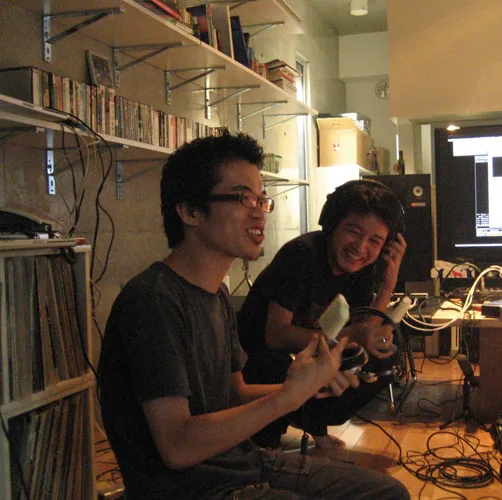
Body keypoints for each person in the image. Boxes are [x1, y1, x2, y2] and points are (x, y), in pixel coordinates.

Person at [97, 132, 410, 500]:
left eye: (262, 199)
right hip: (193, 489)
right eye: (243, 198)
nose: (260, 211)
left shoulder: (216, 296)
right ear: (190, 211)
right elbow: (177, 446)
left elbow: (236, 393)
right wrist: (287, 398)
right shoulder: (152, 302)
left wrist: (309, 386)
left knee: (389, 493)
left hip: (240, 460)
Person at [238, 179, 408, 449]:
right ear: (332, 224)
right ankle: (265, 444)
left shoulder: (360, 269)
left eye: (375, 241)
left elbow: (366, 330)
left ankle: (313, 421)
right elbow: (276, 335)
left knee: (381, 358)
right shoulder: (301, 255)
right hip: (255, 362)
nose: (361, 247)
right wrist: (346, 336)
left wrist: (388, 283)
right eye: (353, 231)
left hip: (304, 357)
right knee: (278, 364)